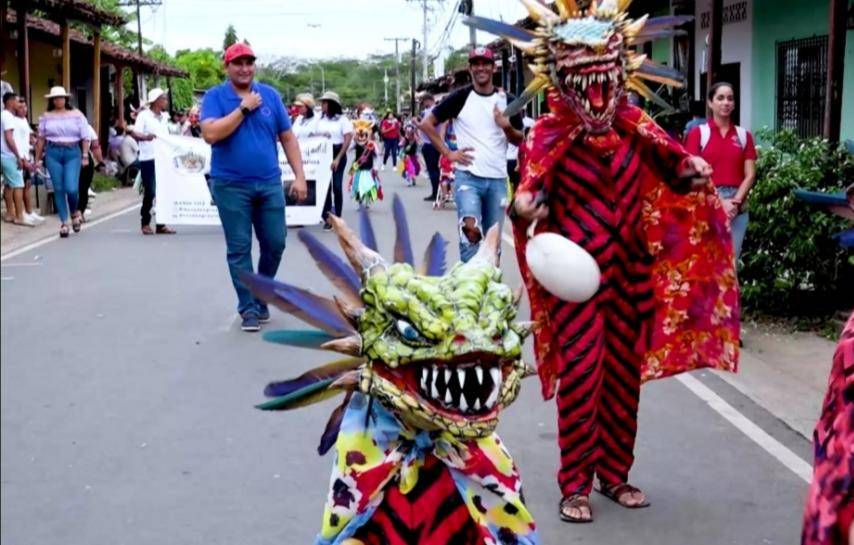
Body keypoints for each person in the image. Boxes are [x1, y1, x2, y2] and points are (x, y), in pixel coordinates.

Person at [201, 42, 307, 332]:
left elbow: (287, 138)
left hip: (270, 183)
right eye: (238, 63)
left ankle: (261, 293)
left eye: (249, 62)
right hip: (230, 186)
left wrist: (299, 176)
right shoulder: (215, 96)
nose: (245, 68)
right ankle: (248, 307)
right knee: (239, 247)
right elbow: (210, 133)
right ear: (228, 67)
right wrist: (243, 110)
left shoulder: (270, 96)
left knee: (276, 242)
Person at [419, 47, 524, 262]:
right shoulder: (460, 97)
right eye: (476, 64)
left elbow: (519, 139)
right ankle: (470, 293)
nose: (481, 68)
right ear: (470, 69)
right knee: (470, 238)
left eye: (485, 63)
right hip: (468, 179)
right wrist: (449, 153)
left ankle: (490, 292)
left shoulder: (507, 100)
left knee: (493, 244)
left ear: (493, 67)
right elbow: (427, 124)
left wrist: (506, 126)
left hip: (497, 180)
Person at [684, 82, 757, 263]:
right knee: (707, 265)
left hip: (737, 209)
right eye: (720, 98)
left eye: (730, 99)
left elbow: (750, 175)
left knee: (730, 267)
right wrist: (718, 203)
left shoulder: (743, 135)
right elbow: (691, 176)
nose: (726, 103)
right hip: (707, 205)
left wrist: (735, 203)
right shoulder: (698, 134)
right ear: (710, 103)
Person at [33, 86, 91, 238]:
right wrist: (37, 159)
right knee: (58, 188)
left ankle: (74, 212)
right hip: (53, 152)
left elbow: (85, 136)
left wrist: (85, 154)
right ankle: (64, 222)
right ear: (52, 100)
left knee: (71, 188)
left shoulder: (77, 115)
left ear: (66, 99)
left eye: (62, 97)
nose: (59, 100)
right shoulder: (46, 116)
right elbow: (41, 139)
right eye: (56, 98)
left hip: (72, 152)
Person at [130, 88, 176, 235]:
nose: (165, 101)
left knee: (162, 192)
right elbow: (135, 133)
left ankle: (161, 224)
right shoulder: (144, 116)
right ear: (156, 100)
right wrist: (145, 137)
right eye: (163, 98)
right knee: (150, 191)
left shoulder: (164, 117)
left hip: (163, 158)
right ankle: (145, 221)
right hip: (148, 157)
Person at [315, 90, 352, 232]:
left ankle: (338, 216)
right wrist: (320, 134)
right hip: (323, 154)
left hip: (338, 153)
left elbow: (347, 139)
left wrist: (338, 158)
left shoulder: (342, 120)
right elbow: (312, 134)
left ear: (331, 104)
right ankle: (328, 217)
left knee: (336, 186)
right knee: (325, 187)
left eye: (324, 103)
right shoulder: (320, 119)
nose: (322, 105)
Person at [1, 93, 35, 226]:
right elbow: (9, 138)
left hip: (4, 155)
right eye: (16, 101)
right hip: (9, 155)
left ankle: (10, 214)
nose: (18, 104)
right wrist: (18, 156)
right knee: (18, 185)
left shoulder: (3, 115)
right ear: (10, 102)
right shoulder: (8, 116)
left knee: (9, 185)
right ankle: (20, 216)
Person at [12, 96, 44, 224]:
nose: (24, 109)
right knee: (19, 186)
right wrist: (22, 158)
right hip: (20, 157)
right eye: (20, 107)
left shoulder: (24, 120)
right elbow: (16, 141)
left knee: (28, 185)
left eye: (25, 107)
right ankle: (22, 213)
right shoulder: (13, 121)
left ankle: (29, 211)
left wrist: (34, 140)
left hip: (27, 155)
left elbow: (29, 136)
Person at [417, 94, 444, 202]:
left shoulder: (432, 112)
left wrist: (417, 123)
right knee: (434, 169)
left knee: (433, 169)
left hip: (431, 143)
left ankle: (436, 192)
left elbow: (427, 126)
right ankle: (436, 191)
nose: (423, 105)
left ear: (428, 101)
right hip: (431, 143)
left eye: (423, 102)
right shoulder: (432, 111)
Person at [76, 123, 105, 221]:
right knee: (83, 189)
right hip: (85, 158)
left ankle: (76, 212)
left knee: (74, 188)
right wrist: (100, 162)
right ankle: (80, 212)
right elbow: (95, 146)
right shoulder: (87, 127)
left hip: (70, 157)